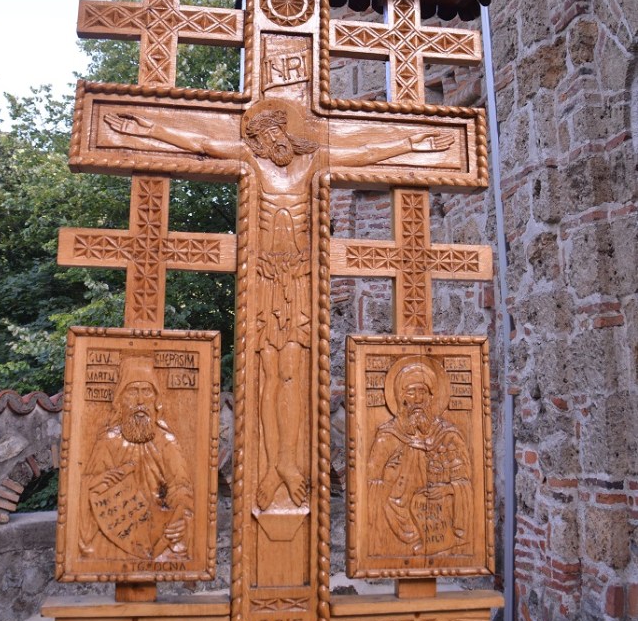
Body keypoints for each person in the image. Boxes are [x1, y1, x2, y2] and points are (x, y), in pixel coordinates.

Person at [103, 101, 454, 512]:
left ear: (287, 134)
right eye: (263, 139)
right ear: (257, 142)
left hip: (300, 282)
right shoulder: (251, 165)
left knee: (296, 375)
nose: (273, 144)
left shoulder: (315, 160)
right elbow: (200, 142)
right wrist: (146, 129)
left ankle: (290, 462)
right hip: (267, 284)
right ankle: (272, 467)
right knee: (269, 379)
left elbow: (362, 153)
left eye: (276, 135)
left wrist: (412, 141)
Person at [79, 357, 194, 562]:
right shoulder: (108, 442)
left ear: (155, 399)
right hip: (118, 532)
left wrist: (182, 514)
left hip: (157, 535)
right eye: (133, 391)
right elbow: (86, 487)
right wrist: (98, 483)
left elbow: (181, 488)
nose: (140, 401)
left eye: (146, 391)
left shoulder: (167, 442)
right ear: (121, 399)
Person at [367, 358, 472, 558]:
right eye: (411, 391)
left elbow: (466, 483)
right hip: (398, 514)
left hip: (439, 521)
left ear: (431, 397)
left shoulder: (447, 435)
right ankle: (414, 539)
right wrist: (390, 476)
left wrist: (448, 489)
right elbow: (370, 485)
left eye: (422, 391)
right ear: (401, 396)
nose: (417, 399)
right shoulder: (387, 436)